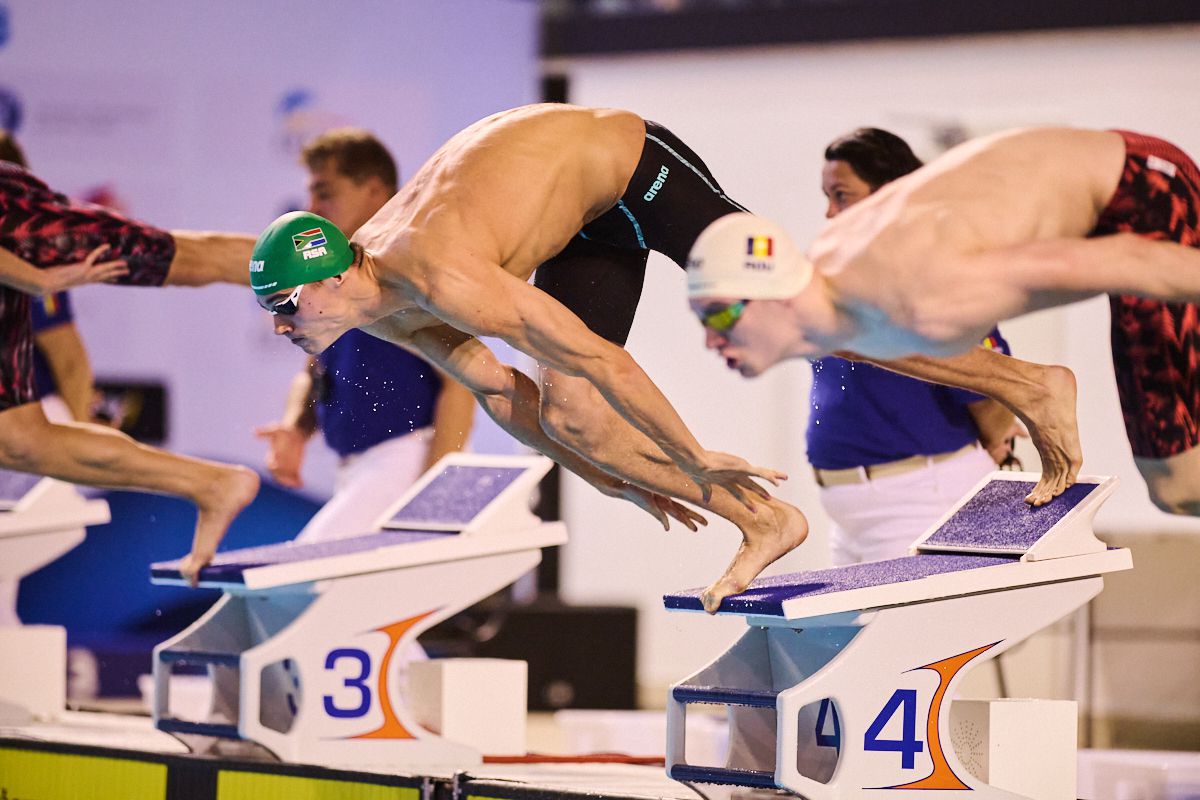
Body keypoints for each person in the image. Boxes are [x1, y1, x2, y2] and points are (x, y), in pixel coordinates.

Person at [249, 104, 801, 614]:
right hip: (583, 221)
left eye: (284, 304)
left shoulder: (441, 276)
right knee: (572, 417)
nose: (278, 324)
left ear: (334, 277)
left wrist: (692, 455)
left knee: (784, 307)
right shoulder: (378, 307)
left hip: (632, 167)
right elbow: (496, 390)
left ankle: (883, 346)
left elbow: (603, 362)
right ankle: (766, 520)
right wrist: (605, 475)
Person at [686, 127, 1200, 516]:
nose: (709, 340)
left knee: (1180, 486)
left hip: (1143, 189)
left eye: (720, 314)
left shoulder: (922, 292)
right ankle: (1039, 386)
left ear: (774, 296)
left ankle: (1042, 387)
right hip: (1088, 176)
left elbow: (1129, 261)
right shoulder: (829, 291)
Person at [0, 130, 261, 584]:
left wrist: (37, 280)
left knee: (188, 260)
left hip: (14, 219)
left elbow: (69, 357)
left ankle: (336, 266)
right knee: (16, 441)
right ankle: (214, 484)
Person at [809, 128, 1023, 565]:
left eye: (842, 195)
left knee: (924, 635)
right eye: (827, 197)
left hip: (922, 501)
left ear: (889, 195)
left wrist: (998, 439)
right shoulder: (835, 276)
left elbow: (990, 390)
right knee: (849, 636)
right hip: (850, 513)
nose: (830, 213)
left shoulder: (936, 276)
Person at [256, 129, 475, 540]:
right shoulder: (335, 275)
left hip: (408, 459)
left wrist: (433, 497)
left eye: (325, 193)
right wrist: (295, 428)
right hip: (362, 471)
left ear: (374, 190)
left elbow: (462, 385)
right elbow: (315, 368)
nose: (312, 209)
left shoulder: (409, 268)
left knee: (301, 582)